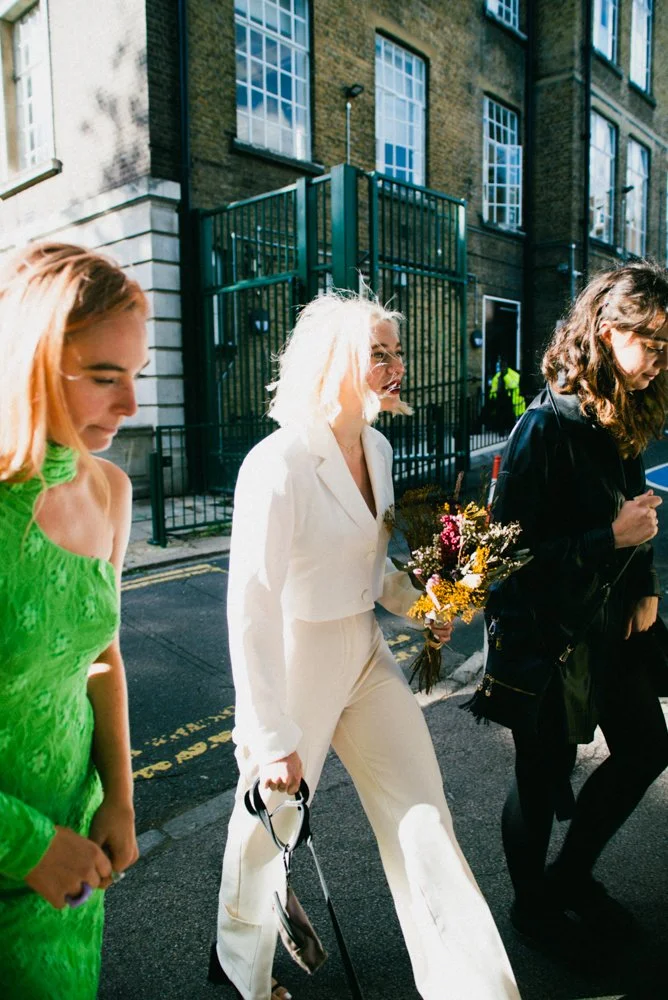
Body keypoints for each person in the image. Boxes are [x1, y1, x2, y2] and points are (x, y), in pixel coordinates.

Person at [210, 291, 521, 1000]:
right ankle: (245, 978)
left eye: (396, 351)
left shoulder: (378, 447)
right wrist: (266, 735)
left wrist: (427, 608)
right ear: (332, 362)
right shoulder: (277, 462)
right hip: (296, 666)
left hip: (363, 656)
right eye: (378, 352)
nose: (396, 365)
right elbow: (251, 604)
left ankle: (474, 987)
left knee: (423, 816)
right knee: (267, 829)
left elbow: (373, 573)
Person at [486, 261, 668, 950]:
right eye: (649, 343)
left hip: (608, 622)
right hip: (545, 632)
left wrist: (644, 579)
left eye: (666, 348)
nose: (658, 360)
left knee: (648, 747)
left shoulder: (621, 409)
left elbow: (637, 505)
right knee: (540, 778)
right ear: (605, 330)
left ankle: (570, 877)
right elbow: (506, 560)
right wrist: (607, 539)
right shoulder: (544, 427)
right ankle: (532, 908)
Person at [0, 242, 148, 997]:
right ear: (33, 361)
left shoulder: (112, 493)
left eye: (136, 378)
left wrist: (119, 796)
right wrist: (24, 844)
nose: (130, 407)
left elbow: (103, 658)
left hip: (71, 859)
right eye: (102, 377)